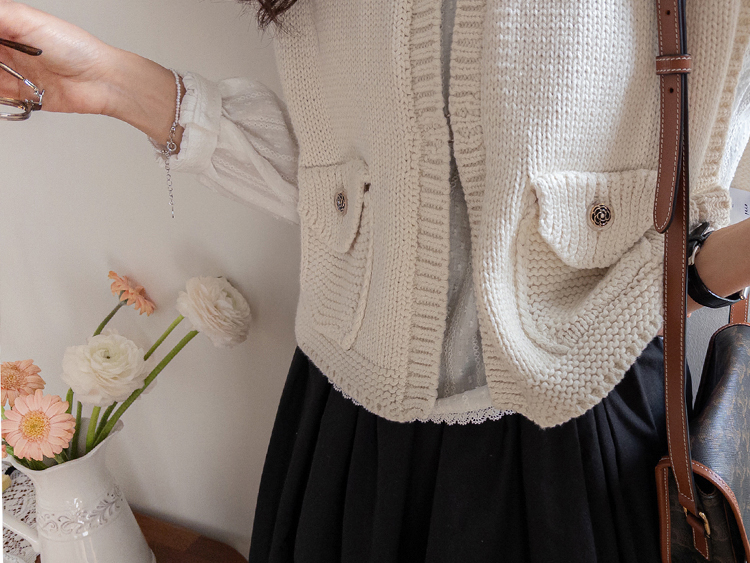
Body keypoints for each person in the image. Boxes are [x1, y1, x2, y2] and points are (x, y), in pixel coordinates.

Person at [2, 0, 750, 561]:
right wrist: (109, 81)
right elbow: (336, 188)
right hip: (354, 420)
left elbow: (698, 206)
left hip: (584, 412)